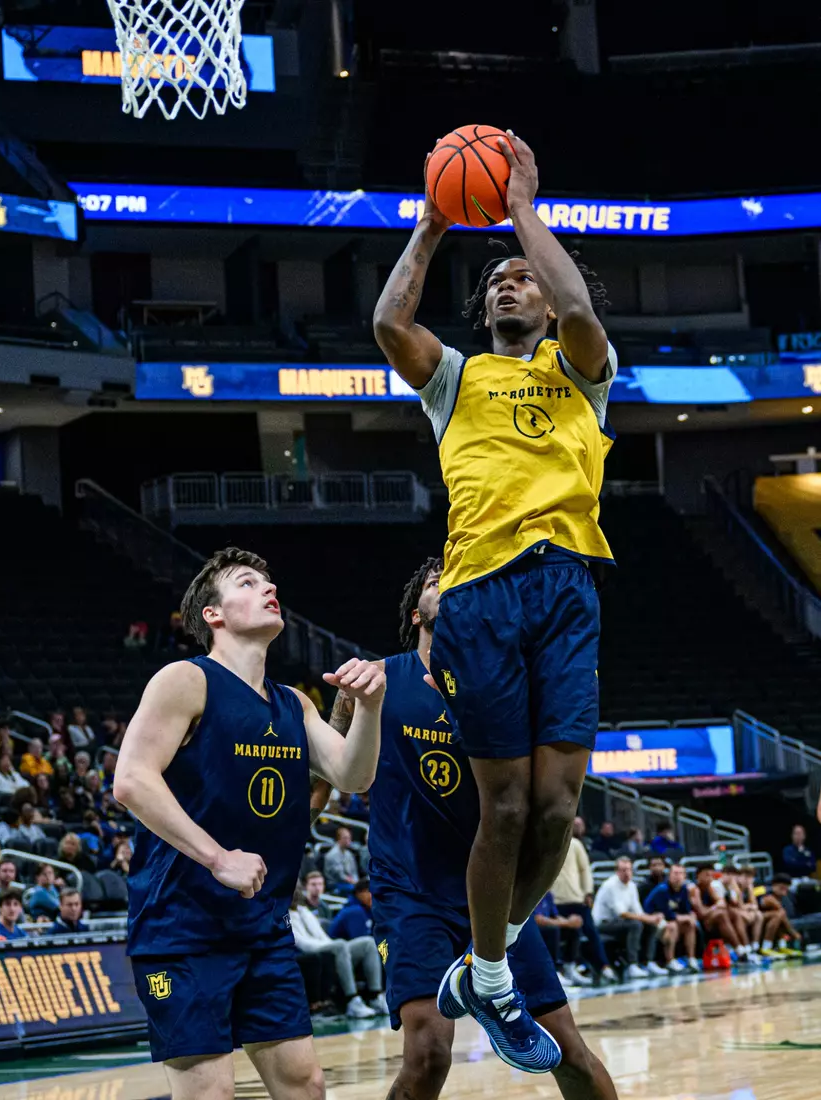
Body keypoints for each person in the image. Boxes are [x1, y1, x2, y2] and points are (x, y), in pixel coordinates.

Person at [374, 132, 617, 1068]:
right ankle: (490, 964)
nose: (510, 284)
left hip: (565, 584)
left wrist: (521, 207)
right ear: (481, 308)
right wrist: (433, 224)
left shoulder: (583, 373)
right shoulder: (454, 377)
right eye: (498, 281)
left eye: (526, 277)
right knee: (506, 809)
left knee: (559, 809)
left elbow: (584, 308)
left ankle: (489, 964)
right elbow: (390, 326)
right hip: (477, 591)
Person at [324, 557, 619, 1095]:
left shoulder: (505, 690)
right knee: (429, 1051)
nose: (453, 587)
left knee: (569, 1052)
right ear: (417, 613)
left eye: (463, 580)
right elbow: (328, 779)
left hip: (496, 899)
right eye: (440, 582)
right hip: (412, 894)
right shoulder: (379, 679)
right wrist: (347, 707)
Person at [113, 545, 386, 1100]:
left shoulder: (294, 705)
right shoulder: (185, 680)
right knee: (211, 1094)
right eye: (246, 583)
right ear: (212, 614)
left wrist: (371, 708)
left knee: (305, 1085)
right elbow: (132, 780)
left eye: (269, 582)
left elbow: (353, 777)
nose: (267, 589)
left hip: (262, 926)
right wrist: (218, 858)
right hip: (182, 928)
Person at [289, 891, 384, 1018]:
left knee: (368, 943)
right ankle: (352, 1000)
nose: (297, 895)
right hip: (309, 952)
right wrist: (332, 946)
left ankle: (375, 996)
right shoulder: (283, 914)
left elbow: (322, 936)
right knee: (339, 945)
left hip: (327, 946)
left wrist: (332, 945)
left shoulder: (304, 911)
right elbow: (302, 944)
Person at [552, 818, 618, 985]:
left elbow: (585, 870)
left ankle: (604, 967)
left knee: (591, 932)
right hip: (553, 900)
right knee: (558, 934)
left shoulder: (575, 844)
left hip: (576, 898)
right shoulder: (546, 844)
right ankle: (561, 970)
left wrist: (588, 891)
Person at [592, 857, 670, 979]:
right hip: (602, 924)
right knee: (635, 925)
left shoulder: (632, 886)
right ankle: (632, 965)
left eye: (629, 869)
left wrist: (652, 918)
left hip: (620, 922)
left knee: (650, 925)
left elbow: (637, 911)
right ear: (617, 872)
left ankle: (648, 962)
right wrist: (647, 918)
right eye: (623, 870)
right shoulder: (610, 885)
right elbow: (621, 913)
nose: (627, 873)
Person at [689, 864, 762, 965]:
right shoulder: (694, 889)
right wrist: (715, 907)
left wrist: (719, 904)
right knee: (721, 914)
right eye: (706, 875)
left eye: (711, 875)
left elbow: (722, 903)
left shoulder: (709, 886)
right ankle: (739, 950)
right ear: (698, 876)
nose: (710, 878)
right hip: (700, 921)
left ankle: (747, 948)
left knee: (734, 913)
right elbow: (702, 913)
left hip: (713, 918)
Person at [642, 863, 700, 972]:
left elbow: (686, 910)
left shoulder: (684, 890)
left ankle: (691, 959)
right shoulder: (662, 890)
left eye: (680, 874)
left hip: (670, 920)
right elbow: (667, 914)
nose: (677, 876)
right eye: (675, 873)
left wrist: (691, 915)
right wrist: (685, 917)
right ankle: (670, 961)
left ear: (685, 876)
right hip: (652, 921)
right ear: (669, 875)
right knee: (672, 926)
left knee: (690, 925)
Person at [533, 892, 592, 987]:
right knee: (553, 930)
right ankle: (554, 971)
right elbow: (538, 919)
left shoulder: (548, 894)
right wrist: (567, 923)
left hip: (546, 928)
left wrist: (570, 921)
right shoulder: (532, 893)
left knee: (573, 930)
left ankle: (570, 968)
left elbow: (555, 916)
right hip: (531, 930)